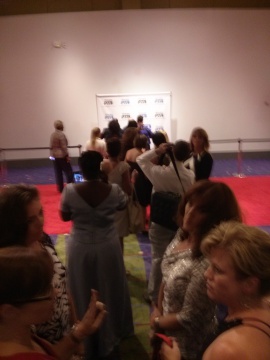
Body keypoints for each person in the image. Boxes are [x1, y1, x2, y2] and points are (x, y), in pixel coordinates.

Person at [151, 180, 243, 360]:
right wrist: (158, 310)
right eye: (190, 203)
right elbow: (167, 273)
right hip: (165, 328)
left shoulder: (208, 260)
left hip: (187, 345)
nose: (189, 213)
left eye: (201, 210)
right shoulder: (183, 234)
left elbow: (188, 318)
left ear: (216, 218)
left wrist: (156, 323)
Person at [60, 150, 134, 359]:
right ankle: (111, 332)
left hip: (80, 246)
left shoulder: (71, 191)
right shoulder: (113, 190)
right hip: (107, 245)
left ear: (81, 168)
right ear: (100, 167)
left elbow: (64, 216)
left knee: (80, 289)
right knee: (110, 288)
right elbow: (122, 205)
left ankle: (84, 334)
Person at [160, 221, 270, 360]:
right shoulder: (263, 307)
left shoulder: (227, 350)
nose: (207, 274)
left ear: (249, 284)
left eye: (217, 270)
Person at [0, 184, 78, 348]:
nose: (40, 222)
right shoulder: (12, 264)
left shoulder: (44, 241)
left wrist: (75, 326)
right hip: (41, 343)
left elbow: (63, 284)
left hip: (65, 333)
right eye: (30, 220)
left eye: (40, 213)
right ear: (14, 224)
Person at [0, 246, 106, 360]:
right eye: (45, 291)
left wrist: (79, 333)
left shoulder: (20, 339)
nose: (56, 292)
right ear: (8, 311)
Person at [137, 141, 195, 304]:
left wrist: (158, 150)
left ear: (171, 153)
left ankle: (153, 294)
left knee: (157, 258)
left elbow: (140, 160)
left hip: (159, 221)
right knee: (176, 257)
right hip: (178, 221)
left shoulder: (159, 173)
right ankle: (173, 291)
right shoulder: (189, 176)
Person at [103, 138, 132, 252]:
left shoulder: (102, 165)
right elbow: (127, 189)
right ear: (120, 151)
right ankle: (119, 266)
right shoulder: (123, 167)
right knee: (119, 238)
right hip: (119, 203)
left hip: (104, 202)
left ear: (107, 151)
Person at [125, 134, 153, 232]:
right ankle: (144, 226)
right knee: (144, 204)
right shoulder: (141, 154)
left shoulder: (129, 152)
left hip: (132, 179)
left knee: (138, 203)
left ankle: (139, 225)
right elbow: (145, 170)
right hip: (141, 180)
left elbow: (126, 166)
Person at [50, 120, 74, 193]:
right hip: (62, 156)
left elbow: (51, 146)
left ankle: (60, 188)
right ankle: (71, 187)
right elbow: (63, 146)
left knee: (58, 173)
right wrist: (67, 155)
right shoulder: (61, 135)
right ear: (61, 126)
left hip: (54, 156)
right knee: (69, 172)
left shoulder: (53, 134)